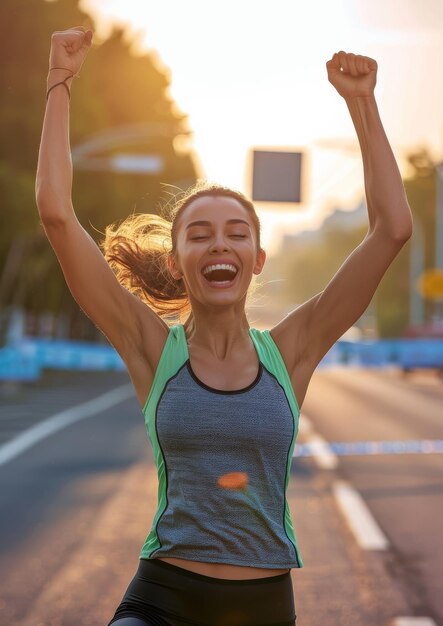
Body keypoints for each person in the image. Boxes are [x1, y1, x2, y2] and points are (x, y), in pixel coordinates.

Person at [36, 26, 413, 626]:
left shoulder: (292, 350)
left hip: (264, 605)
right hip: (163, 596)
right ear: (176, 262)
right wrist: (61, 79)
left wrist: (362, 103)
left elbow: (392, 229)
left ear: (256, 260)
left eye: (237, 233)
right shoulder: (151, 349)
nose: (221, 243)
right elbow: (57, 213)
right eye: (201, 234)